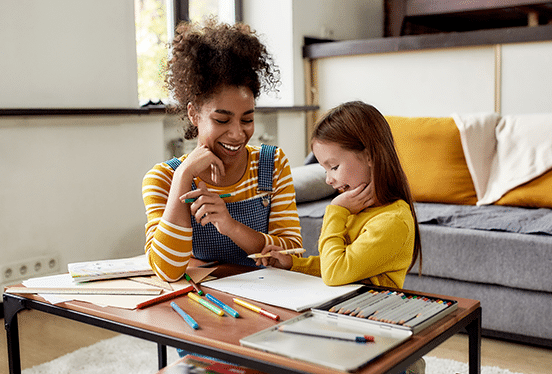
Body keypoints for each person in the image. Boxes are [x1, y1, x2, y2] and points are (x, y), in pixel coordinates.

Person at [142, 19, 302, 282]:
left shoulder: (271, 164)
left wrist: (231, 226)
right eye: (222, 120)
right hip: (203, 303)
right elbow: (167, 271)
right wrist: (183, 176)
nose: (238, 134)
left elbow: (290, 251)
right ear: (194, 113)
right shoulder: (162, 179)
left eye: (247, 119)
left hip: (268, 299)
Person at [256, 101, 422, 289]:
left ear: (369, 156)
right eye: (325, 169)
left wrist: (336, 211)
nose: (328, 180)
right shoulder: (357, 209)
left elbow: (335, 272)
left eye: (334, 167)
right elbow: (338, 262)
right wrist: (293, 264)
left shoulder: (392, 221)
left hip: (370, 313)